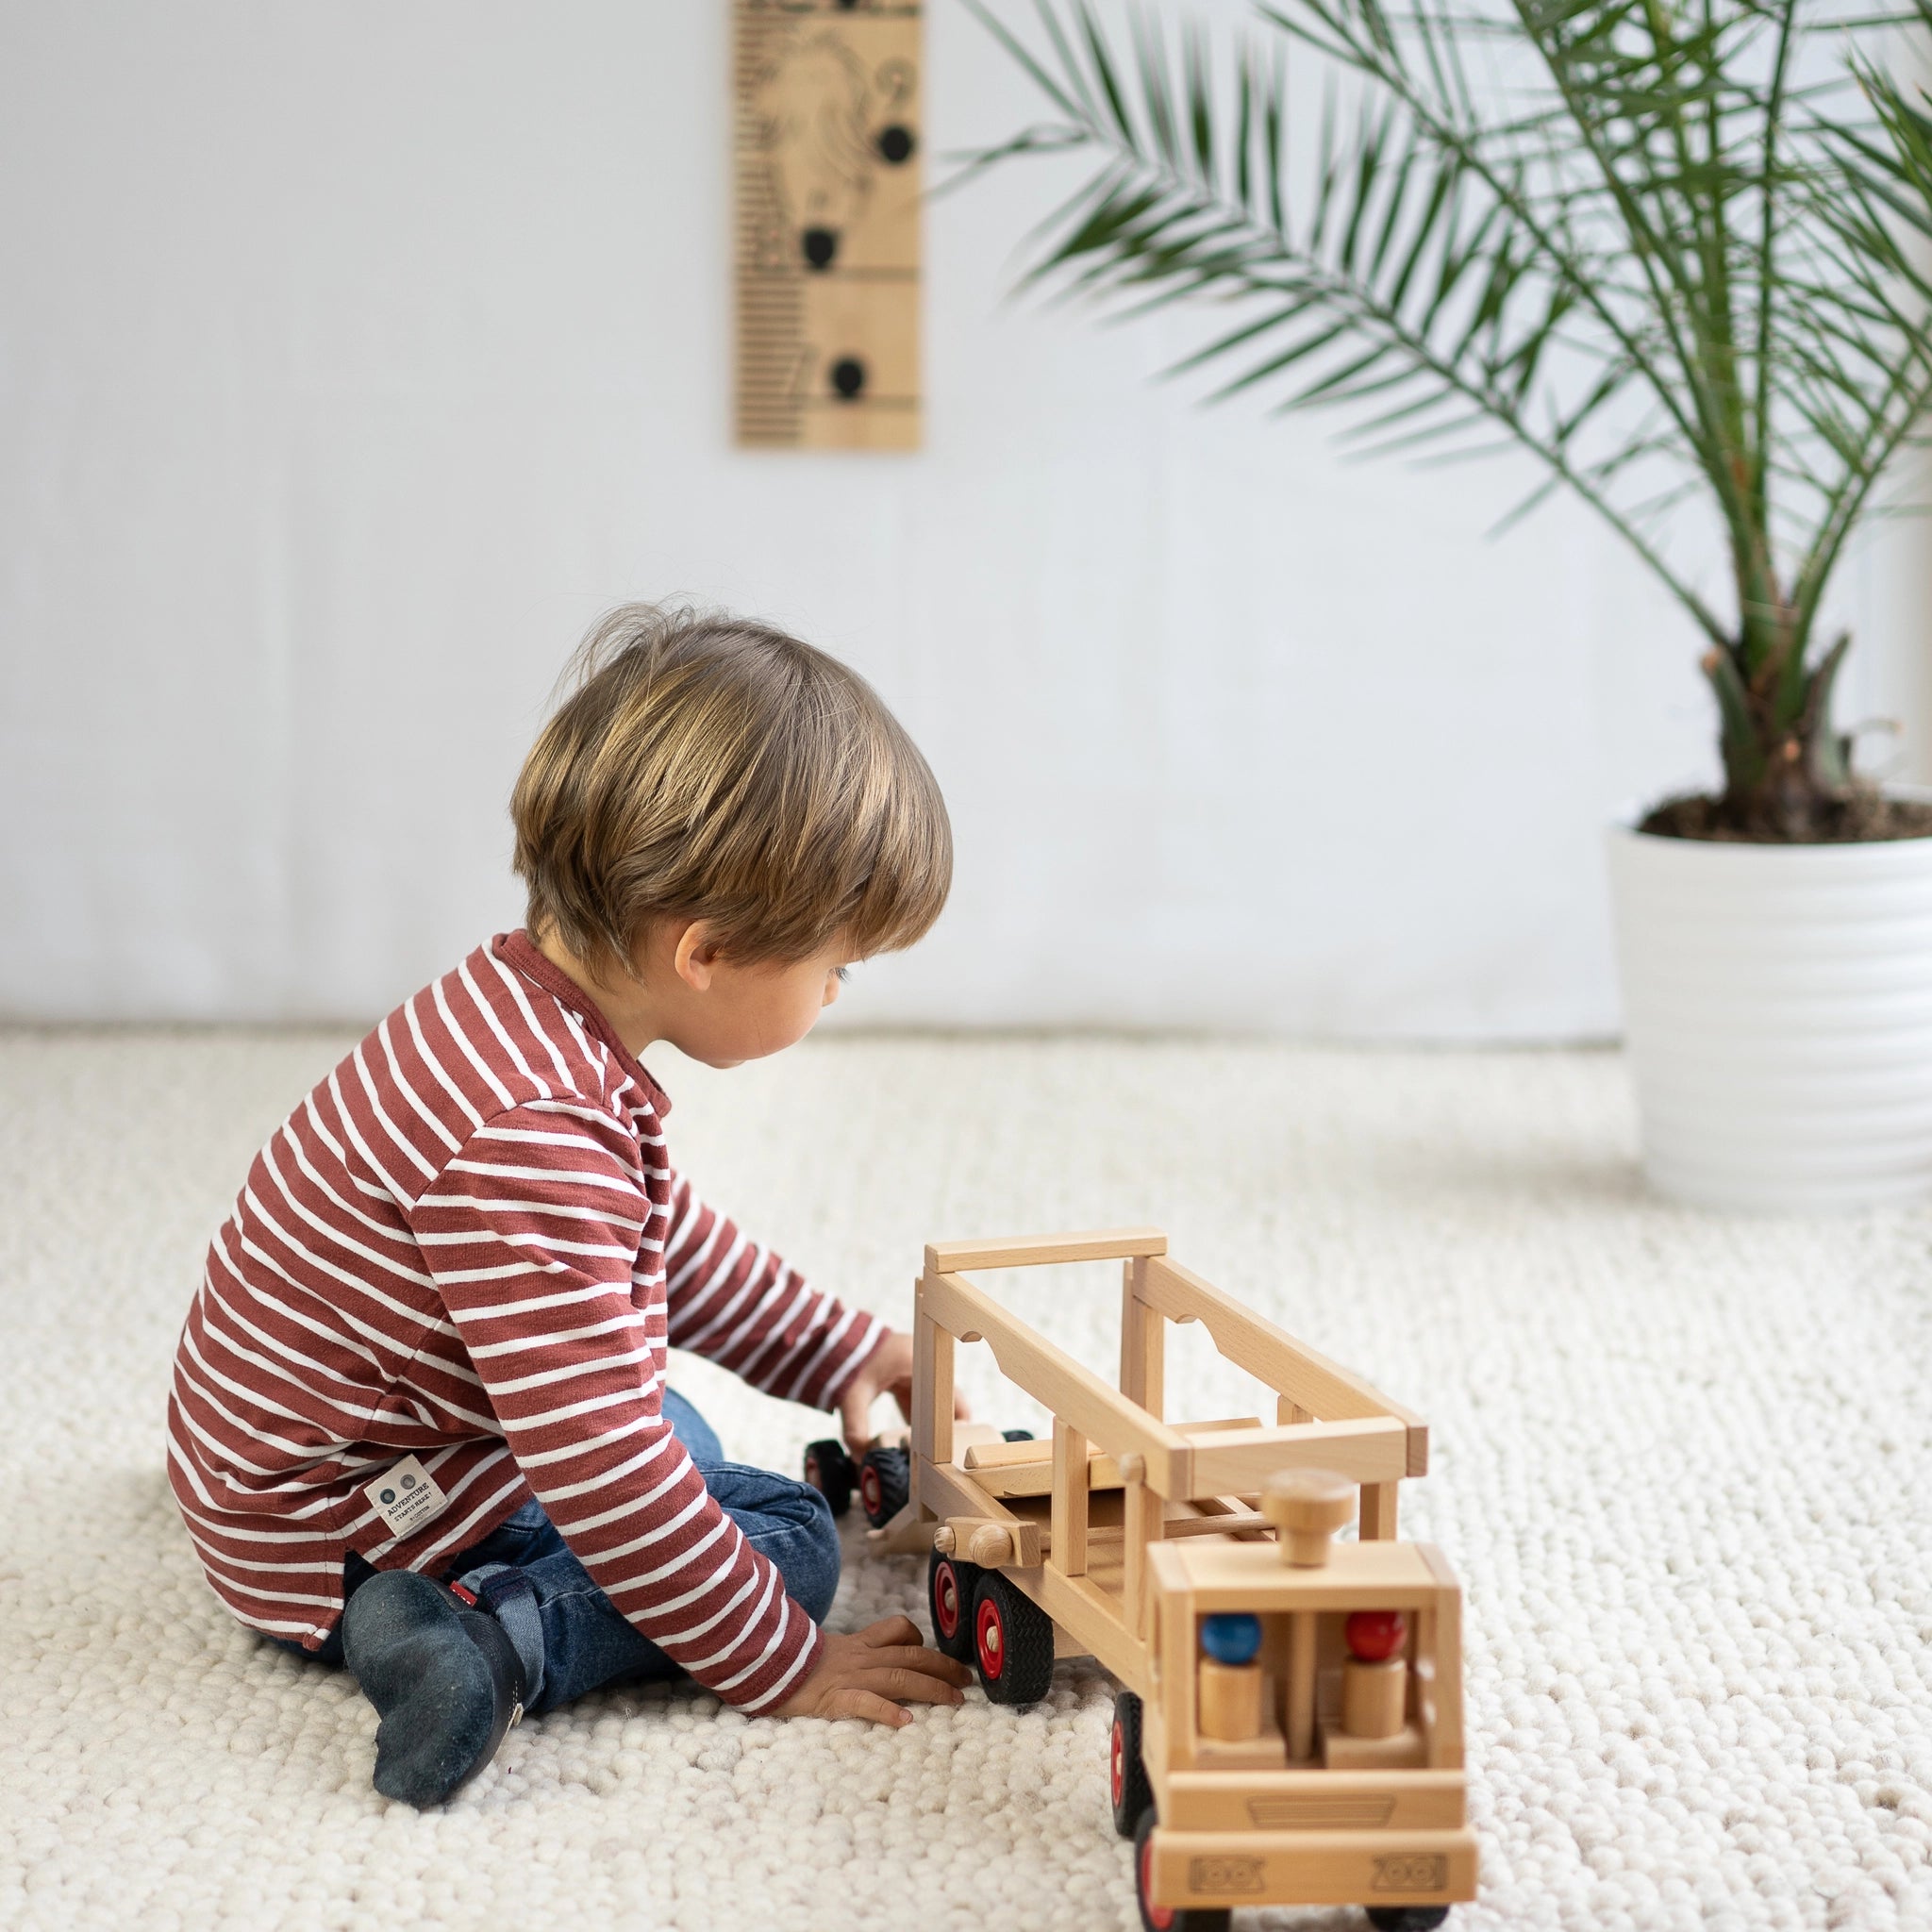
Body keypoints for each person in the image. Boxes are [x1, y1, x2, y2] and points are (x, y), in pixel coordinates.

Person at [165, 603, 972, 1806]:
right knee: (786, 1540)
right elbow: (602, 1465)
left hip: (281, 1464)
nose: (838, 993)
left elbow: (665, 1246)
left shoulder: (516, 1013)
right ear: (703, 952)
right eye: (836, 965)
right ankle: (486, 1633)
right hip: (337, 1528)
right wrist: (783, 1661)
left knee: (676, 1426)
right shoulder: (531, 1131)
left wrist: (838, 1346)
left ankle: (471, 1597)